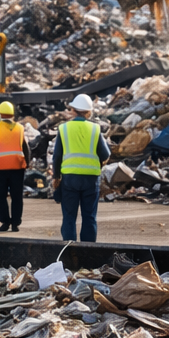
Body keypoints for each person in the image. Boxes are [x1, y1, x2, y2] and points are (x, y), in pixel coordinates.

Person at [51, 93, 111, 242]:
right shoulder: (95, 129)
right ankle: (89, 253)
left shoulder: (64, 128)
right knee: (89, 217)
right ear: (89, 112)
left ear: (73, 109)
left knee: (69, 217)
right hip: (90, 179)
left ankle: (69, 252)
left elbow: (57, 156)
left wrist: (56, 177)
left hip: (69, 179)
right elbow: (105, 154)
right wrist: (97, 165)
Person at [0, 101, 31, 232]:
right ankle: (15, 223)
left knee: (0, 196)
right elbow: (26, 148)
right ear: (12, 114)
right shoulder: (20, 128)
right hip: (17, 168)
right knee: (17, 196)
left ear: (0, 114)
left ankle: (5, 222)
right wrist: (28, 162)